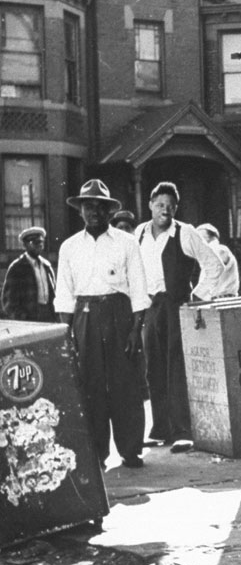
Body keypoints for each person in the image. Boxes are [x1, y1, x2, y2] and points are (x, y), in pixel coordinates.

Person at [53, 180, 150, 469]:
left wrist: (135, 329)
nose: (93, 211)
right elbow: (64, 294)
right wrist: (67, 335)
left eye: (100, 206)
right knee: (90, 384)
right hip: (84, 316)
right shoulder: (69, 247)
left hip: (119, 315)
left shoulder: (127, 242)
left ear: (109, 211)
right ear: (80, 210)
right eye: (87, 206)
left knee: (126, 384)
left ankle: (131, 449)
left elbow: (139, 288)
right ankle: (97, 453)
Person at [134, 181, 224, 453]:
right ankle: (161, 428)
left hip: (177, 307)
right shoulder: (139, 233)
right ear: (150, 205)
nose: (165, 211)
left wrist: (196, 297)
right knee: (154, 368)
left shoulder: (185, 233)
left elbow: (214, 266)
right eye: (160, 205)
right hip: (151, 307)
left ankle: (184, 431)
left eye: (171, 207)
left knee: (177, 368)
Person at [1, 226, 56, 322]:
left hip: (48, 317)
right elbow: (8, 302)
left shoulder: (47, 266)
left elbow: (54, 294)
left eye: (41, 242)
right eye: (34, 242)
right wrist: (23, 318)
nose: (39, 245)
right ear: (25, 245)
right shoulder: (17, 268)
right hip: (29, 319)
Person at [196, 223, 240, 297]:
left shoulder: (220, 249)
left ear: (211, 236)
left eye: (199, 236)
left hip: (224, 300)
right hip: (215, 299)